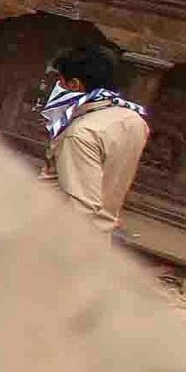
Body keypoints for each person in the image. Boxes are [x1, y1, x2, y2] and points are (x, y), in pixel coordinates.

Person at [40, 45, 151, 233]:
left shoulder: (81, 133)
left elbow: (81, 207)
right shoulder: (132, 119)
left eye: (60, 80)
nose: (57, 87)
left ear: (74, 85)